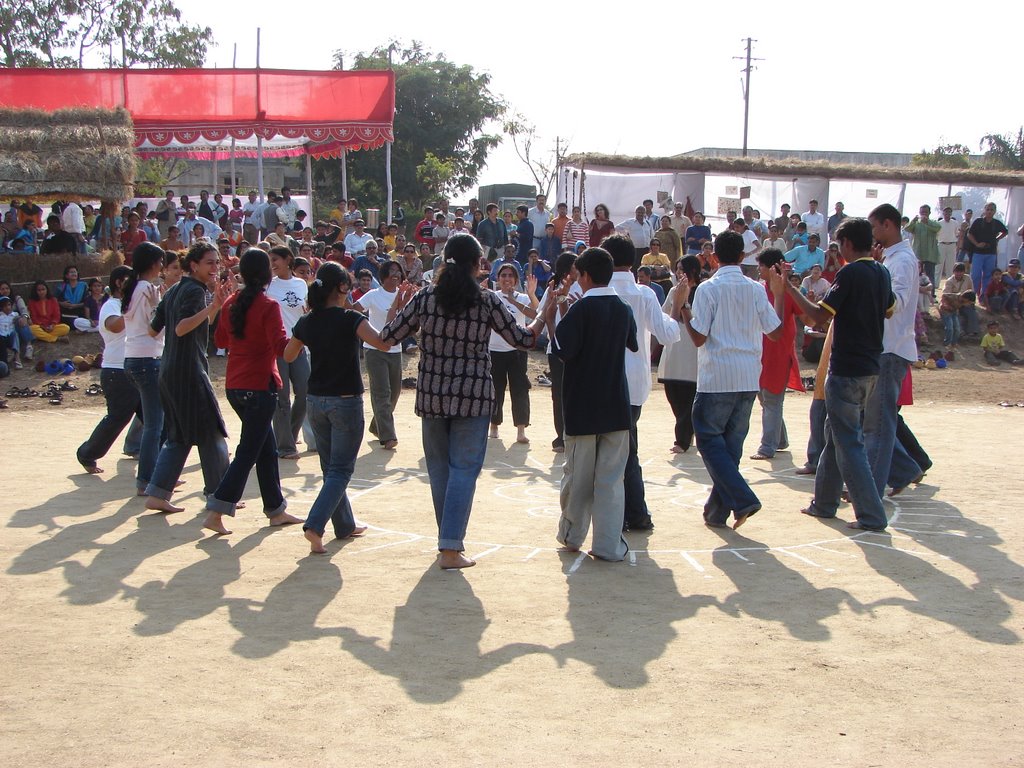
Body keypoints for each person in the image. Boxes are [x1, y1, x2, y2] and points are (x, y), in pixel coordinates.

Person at [380, 234, 546, 570]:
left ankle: (448, 541)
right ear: (476, 264)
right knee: (464, 470)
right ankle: (450, 546)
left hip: (432, 394)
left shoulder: (425, 297)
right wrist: (545, 312)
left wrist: (397, 305)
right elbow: (523, 339)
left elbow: (388, 337)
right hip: (473, 395)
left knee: (439, 470)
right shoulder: (486, 300)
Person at [772, 217, 896, 531]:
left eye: (839, 246)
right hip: (869, 368)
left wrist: (788, 287)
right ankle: (824, 503)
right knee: (835, 435)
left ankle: (871, 514)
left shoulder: (851, 272)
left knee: (849, 443)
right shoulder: (881, 271)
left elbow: (817, 315)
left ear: (848, 244)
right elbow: (890, 309)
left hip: (847, 368)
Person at [286, 262, 396, 553]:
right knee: (340, 470)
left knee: (330, 468)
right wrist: (397, 311)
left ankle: (344, 524)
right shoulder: (350, 319)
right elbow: (383, 343)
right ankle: (315, 524)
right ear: (344, 287)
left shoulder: (308, 321)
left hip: (316, 401)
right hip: (345, 402)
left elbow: (289, 354)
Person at [678, 230, 782, 530]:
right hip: (748, 376)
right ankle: (716, 512)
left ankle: (743, 498)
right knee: (731, 447)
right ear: (741, 256)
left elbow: (699, 337)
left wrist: (684, 309)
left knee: (709, 440)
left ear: (713, 257)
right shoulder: (756, 289)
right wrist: (779, 294)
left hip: (717, 376)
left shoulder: (709, 289)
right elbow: (775, 332)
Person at [202, 249, 302, 535]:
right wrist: (302, 334)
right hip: (259, 386)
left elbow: (221, 340)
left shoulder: (231, 302)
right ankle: (217, 509)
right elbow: (281, 348)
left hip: (236, 385)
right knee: (248, 452)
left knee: (266, 449)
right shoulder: (268, 305)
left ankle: (276, 509)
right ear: (267, 274)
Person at [547, 247, 637, 562]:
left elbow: (562, 350)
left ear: (584, 276)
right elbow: (632, 343)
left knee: (578, 478)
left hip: (582, 407)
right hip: (616, 405)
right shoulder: (623, 308)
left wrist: (553, 317)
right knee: (612, 481)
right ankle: (608, 546)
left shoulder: (580, 309)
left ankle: (572, 536)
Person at [143, 242, 233, 514]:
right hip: (188, 372)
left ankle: (158, 493)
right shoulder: (194, 290)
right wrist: (211, 306)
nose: (215, 267)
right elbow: (182, 328)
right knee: (211, 433)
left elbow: (153, 330)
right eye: (209, 262)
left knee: (179, 436)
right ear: (194, 265)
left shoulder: (174, 291)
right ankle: (219, 496)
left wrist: (214, 305)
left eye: (217, 262)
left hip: (170, 371)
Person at [604, 234, 684, 531]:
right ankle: (634, 513)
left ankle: (628, 513)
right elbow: (667, 334)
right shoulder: (645, 294)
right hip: (635, 382)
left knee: (613, 451)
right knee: (627, 447)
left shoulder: (598, 291)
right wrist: (675, 308)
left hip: (604, 381)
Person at [864, 203, 925, 500]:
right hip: (885, 346)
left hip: (890, 347)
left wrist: (874, 273)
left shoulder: (900, 260)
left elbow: (894, 304)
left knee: (878, 424)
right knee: (875, 420)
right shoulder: (892, 257)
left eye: (874, 227)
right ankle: (900, 471)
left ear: (887, 225)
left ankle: (872, 490)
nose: (872, 233)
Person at [750, 248, 803, 461]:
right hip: (759, 353)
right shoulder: (758, 290)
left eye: (761, 266)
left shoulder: (788, 291)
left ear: (772, 268)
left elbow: (807, 317)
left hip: (778, 354)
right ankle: (779, 439)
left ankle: (767, 447)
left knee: (772, 399)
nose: (759, 270)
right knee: (765, 398)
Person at [121, 243, 167, 493]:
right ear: (152, 263)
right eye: (160, 262)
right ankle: (147, 479)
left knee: (154, 422)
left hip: (133, 357)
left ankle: (155, 475)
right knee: (154, 425)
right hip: (147, 358)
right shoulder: (147, 288)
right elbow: (154, 327)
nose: (161, 266)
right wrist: (158, 305)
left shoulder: (133, 287)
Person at [351, 260, 407, 450]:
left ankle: (377, 426)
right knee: (382, 392)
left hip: (395, 350)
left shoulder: (404, 295)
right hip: (374, 349)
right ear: (383, 275)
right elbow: (354, 309)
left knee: (395, 393)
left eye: (398, 271)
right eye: (392, 271)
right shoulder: (374, 294)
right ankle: (388, 436)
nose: (396, 274)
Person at [266, 246, 310, 460]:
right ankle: (285, 446)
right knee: (282, 398)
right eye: (270, 260)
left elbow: (306, 311)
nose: (272, 264)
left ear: (288, 260)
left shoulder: (301, 284)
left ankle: (288, 436)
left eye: (276, 259)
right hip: (277, 348)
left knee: (305, 393)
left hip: (299, 345)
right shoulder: (268, 285)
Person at [488, 264, 539, 444]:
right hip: (494, 350)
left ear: (516, 280)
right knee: (495, 389)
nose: (507, 279)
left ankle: (521, 430)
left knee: (520, 389)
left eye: (510, 276)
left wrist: (530, 294)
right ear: (498, 279)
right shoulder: (492, 297)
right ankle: (494, 426)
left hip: (517, 351)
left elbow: (537, 313)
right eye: (503, 275)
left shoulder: (523, 298)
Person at [537, 252, 580, 452]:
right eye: (575, 265)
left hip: (578, 348)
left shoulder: (585, 286)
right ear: (566, 269)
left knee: (577, 392)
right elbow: (542, 313)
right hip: (556, 347)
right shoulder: (552, 287)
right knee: (559, 394)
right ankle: (561, 435)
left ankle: (576, 432)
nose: (579, 269)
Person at [657, 256, 701, 453]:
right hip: (674, 351)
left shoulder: (702, 291)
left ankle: (682, 440)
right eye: (677, 269)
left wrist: (685, 305)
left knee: (688, 398)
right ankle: (686, 432)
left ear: (693, 271)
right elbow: (665, 315)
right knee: (673, 395)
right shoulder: (674, 291)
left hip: (692, 352)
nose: (678, 273)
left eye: (682, 269)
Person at [966, 202, 1008, 301]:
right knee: (975, 276)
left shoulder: (996, 223)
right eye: (988, 209)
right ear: (984, 210)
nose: (989, 212)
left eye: (991, 210)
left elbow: (1005, 231)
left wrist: (997, 238)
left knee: (988, 276)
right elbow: (969, 234)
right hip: (978, 253)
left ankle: (984, 297)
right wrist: (976, 244)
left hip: (991, 253)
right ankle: (972, 296)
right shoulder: (978, 221)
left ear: (994, 211)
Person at [904, 205, 941, 288]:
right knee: (916, 275)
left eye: (925, 212)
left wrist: (927, 222)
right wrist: (913, 221)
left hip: (930, 255)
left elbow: (938, 228)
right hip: (917, 254)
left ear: (929, 213)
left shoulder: (933, 223)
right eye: (922, 212)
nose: (923, 214)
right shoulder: (916, 224)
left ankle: (931, 294)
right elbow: (906, 229)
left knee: (930, 275)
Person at [618, 206, 654, 272]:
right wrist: (625, 237)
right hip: (635, 250)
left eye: (642, 212)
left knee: (646, 269)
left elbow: (652, 236)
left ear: (645, 213)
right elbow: (617, 228)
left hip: (646, 250)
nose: (640, 214)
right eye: (638, 212)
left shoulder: (648, 223)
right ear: (635, 212)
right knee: (634, 268)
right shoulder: (630, 222)